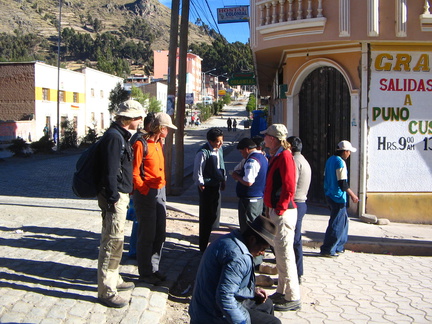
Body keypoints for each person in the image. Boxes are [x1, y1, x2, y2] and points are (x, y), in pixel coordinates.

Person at [96, 99, 145, 308]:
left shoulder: (121, 136)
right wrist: (114, 197)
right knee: (112, 242)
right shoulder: (115, 138)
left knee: (117, 241)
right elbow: (110, 171)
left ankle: (115, 279)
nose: (141, 121)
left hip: (120, 196)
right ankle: (106, 291)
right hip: (114, 199)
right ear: (131, 118)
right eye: (139, 117)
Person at [189, 216, 282, 324]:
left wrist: (251, 291)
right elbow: (224, 298)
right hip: (212, 314)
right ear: (252, 239)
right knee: (273, 322)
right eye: (262, 249)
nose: (262, 253)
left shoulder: (232, 239)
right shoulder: (239, 257)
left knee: (267, 305)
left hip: (206, 305)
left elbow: (229, 282)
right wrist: (242, 322)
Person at [132, 112, 177, 285]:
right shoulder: (140, 144)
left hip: (160, 191)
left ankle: (154, 269)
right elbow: (135, 172)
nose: (169, 131)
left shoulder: (159, 144)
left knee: (160, 232)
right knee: (147, 234)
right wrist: (144, 190)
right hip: (146, 194)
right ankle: (145, 272)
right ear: (161, 128)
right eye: (167, 128)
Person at [261, 124, 301, 311]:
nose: (265, 138)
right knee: (280, 254)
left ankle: (292, 296)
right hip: (276, 211)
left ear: (274, 139)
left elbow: (289, 186)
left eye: (267, 136)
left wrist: (280, 208)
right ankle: (281, 290)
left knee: (285, 255)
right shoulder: (277, 155)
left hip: (283, 213)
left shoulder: (285, 156)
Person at [232, 138, 268, 267]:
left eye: (242, 152)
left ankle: (252, 260)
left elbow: (248, 181)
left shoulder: (252, 161)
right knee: (256, 228)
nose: (242, 154)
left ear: (247, 149)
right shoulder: (262, 157)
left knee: (249, 230)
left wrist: (236, 177)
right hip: (258, 198)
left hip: (250, 200)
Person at [320, 140, 359, 257]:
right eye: (349, 152)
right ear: (345, 151)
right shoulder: (340, 163)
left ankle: (339, 246)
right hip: (338, 197)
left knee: (343, 222)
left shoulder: (330, 160)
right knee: (337, 223)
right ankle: (328, 249)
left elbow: (325, 177)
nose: (350, 154)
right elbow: (342, 183)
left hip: (330, 194)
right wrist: (352, 195)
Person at [193, 127, 226, 253]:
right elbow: (198, 170)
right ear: (210, 141)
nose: (220, 143)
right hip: (206, 187)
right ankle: (203, 245)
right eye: (218, 141)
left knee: (215, 215)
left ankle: (214, 241)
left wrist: (223, 180)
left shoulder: (219, 150)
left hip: (216, 184)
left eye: (221, 141)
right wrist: (200, 183)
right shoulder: (203, 152)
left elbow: (221, 165)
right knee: (206, 216)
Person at [287, 136, 312, 284]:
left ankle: (297, 272)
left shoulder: (295, 162)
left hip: (295, 202)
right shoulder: (303, 160)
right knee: (295, 238)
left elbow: (291, 185)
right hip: (300, 202)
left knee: (294, 240)